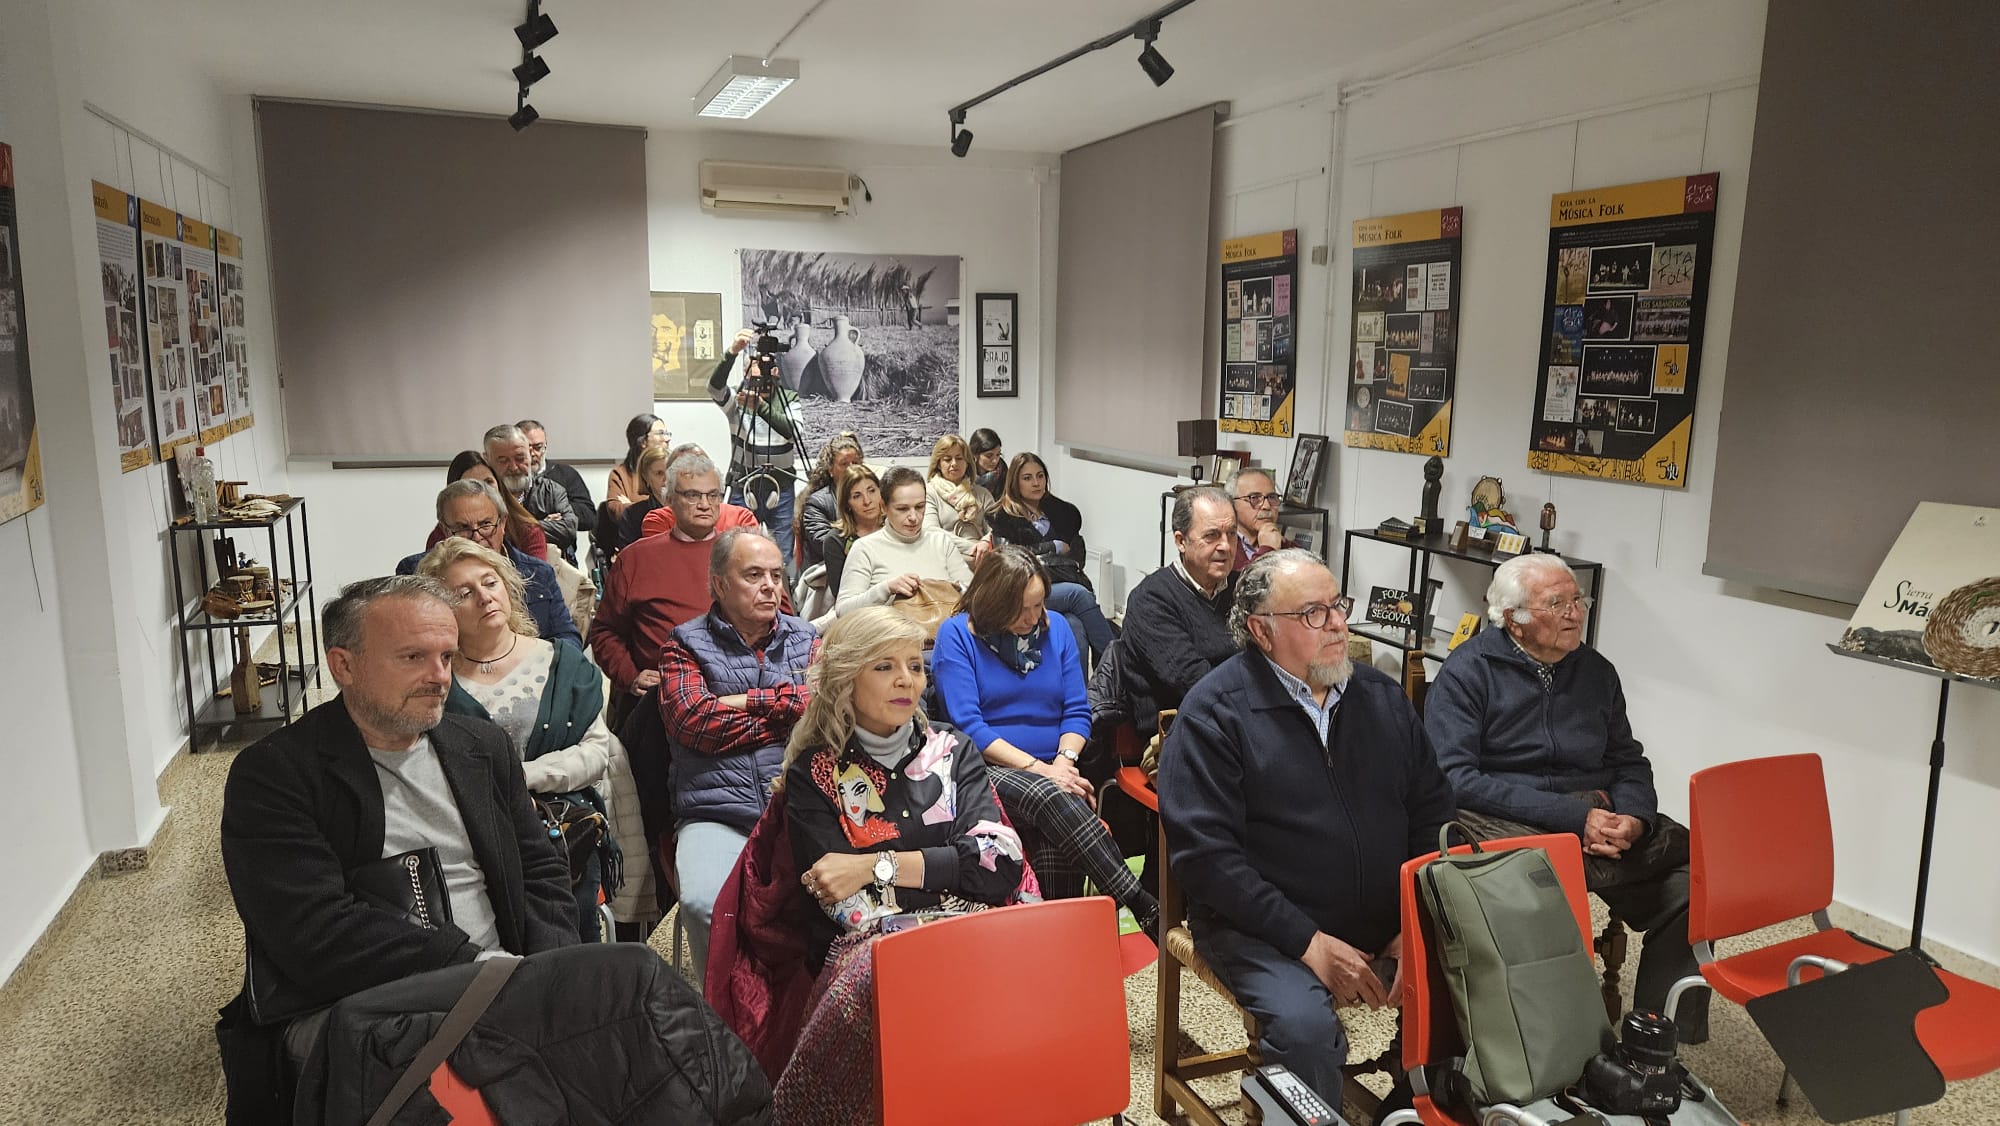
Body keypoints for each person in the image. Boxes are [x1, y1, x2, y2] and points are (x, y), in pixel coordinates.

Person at [218, 576, 577, 1082]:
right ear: (343, 665)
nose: (439, 677)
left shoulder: (480, 745)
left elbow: (540, 868)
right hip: (375, 1000)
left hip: (507, 982)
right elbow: (314, 932)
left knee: (641, 1003)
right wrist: (478, 970)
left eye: (447, 657)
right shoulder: (277, 774)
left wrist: (551, 971)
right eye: (413, 658)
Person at [1157, 549, 1456, 1106]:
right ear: (1261, 630)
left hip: (1385, 915)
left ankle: (1408, 1107)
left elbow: (1433, 813)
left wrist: (1415, 919)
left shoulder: (1381, 697)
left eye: (1337, 605)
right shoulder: (1214, 713)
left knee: (1475, 980)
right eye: (1313, 613)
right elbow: (1207, 861)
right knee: (1305, 1032)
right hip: (1262, 929)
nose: (1339, 623)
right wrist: (1309, 943)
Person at [1425, 553, 1708, 1042]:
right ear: (1513, 618)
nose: (1576, 613)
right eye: (1557, 603)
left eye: (1578, 599)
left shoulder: (1597, 671)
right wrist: (1574, 818)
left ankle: (1659, 1040)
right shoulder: (1468, 672)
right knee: (1536, 889)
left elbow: (1629, 760)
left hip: (1596, 813)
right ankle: (1559, 1043)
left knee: (1694, 885)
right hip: (1504, 810)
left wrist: (1635, 818)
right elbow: (1454, 778)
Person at [419, 538, 644, 944]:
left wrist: (520, 777)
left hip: (562, 828)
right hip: (469, 830)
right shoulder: (435, 681)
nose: (484, 597)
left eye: (490, 582)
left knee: (567, 946)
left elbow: (595, 754)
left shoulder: (562, 663)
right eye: (464, 593)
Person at [931, 546, 1159, 934]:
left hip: (1054, 767)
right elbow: (969, 724)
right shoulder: (957, 635)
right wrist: (1044, 771)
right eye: (1021, 608)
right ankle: (1140, 902)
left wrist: (1064, 763)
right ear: (993, 602)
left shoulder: (1057, 631)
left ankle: (1059, 942)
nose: (1033, 617)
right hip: (986, 767)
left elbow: (1077, 710)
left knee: (1056, 823)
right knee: (1056, 795)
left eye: (1038, 605)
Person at [657, 528, 819, 982]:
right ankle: (724, 1011)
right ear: (719, 584)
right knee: (705, 904)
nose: (771, 586)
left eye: (776, 574)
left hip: (801, 806)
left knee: (834, 900)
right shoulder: (684, 644)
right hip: (717, 809)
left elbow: (825, 708)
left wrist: (745, 701)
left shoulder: (806, 639)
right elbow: (695, 724)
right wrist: (785, 712)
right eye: (753, 575)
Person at [590, 451, 742, 726]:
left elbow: (781, 620)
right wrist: (630, 674)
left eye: (713, 495)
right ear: (669, 499)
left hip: (736, 697)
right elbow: (604, 631)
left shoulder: (743, 554)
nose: (705, 504)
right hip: (662, 703)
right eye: (693, 496)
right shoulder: (636, 558)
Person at [396, 480, 580, 648]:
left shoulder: (538, 572)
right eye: (463, 528)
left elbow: (568, 638)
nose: (476, 538)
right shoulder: (418, 573)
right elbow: (412, 645)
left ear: (503, 523)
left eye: (485, 524)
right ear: (445, 529)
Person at [1119, 486, 1238, 736]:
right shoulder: (1151, 600)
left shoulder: (1243, 588)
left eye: (1231, 533)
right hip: (1179, 732)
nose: (1226, 546)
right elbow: (1194, 683)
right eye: (1212, 535)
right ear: (1181, 541)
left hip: (1236, 720)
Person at [984, 452, 1115, 661]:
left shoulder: (1062, 513)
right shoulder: (1003, 516)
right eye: (1027, 478)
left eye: (1040, 476)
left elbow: (1076, 559)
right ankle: (1117, 665)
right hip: (1023, 592)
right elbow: (1011, 563)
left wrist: (1037, 554)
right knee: (1080, 594)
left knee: (1075, 630)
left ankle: (1085, 692)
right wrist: (1052, 547)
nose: (1036, 483)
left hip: (1062, 587)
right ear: (1015, 482)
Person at [711, 328, 805, 566]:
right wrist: (732, 352)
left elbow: (793, 432)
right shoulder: (737, 399)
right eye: (750, 366)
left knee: (782, 550)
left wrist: (760, 406)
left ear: (775, 371)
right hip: (745, 485)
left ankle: (782, 597)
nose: (756, 373)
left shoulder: (789, 398)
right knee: (737, 547)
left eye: (762, 368)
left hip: (781, 486)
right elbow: (714, 387)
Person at [833, 466, 972, 616]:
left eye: (920, 506)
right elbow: (843, 610)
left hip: (943, 633)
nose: (914, 517)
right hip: (890, 636)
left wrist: (957, 590)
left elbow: (973, 594)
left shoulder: (941, 542)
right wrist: (886, 589)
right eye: (902, 509)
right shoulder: (864, 548)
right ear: (883, 507)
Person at [422, 449, 546, 560]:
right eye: (471, 485)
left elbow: (538, 581)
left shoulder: (528, 531)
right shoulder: (440, 535)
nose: (482, 490)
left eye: (488, 482)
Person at [485, 424, 578, 565]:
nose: (514, 467)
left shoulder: (551, 491)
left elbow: (568, 531)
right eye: (503, 460)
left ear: (529, 453)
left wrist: (505, 529)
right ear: (487, 460)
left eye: (520, 458)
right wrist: (538, 525)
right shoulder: (482, 496)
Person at [517, 417, 597, 544]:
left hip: (560, 551)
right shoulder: (507, 477)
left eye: (538, 447)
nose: (532, 454)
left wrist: (560, 509)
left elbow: (589, 517)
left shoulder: (565, 473)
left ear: (546, 446)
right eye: (526, 447)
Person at [796, 432, 865, 569]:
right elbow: (828, 546)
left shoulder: (874, 497)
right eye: (844, 464)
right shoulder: (816, 504)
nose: (851, 469)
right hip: (825, 575)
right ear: (831, 470)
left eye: (856, 463)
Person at [923, 433, 993, 565]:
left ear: (967, 463)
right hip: (945, 558)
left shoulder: (983, 494)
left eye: (959, 458)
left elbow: (996, 529)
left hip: (984, 558)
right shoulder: (928, 493)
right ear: (938, 463)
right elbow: (930, 531)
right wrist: (972, 548)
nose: (954, 464)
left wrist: (985, 542)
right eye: (947, 459)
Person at [820, 464, 883, 596]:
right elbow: (841, 595)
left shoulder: (894, 528)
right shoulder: (835, 540)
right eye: (857, 496)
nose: (867, 501)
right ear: (847, 504)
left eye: (871, 491)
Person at [606, 413, 670, 525]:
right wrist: (638, 509)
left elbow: (682, 507)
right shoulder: (621, 474)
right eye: (660, 433)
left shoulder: (676, 466)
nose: (667, 439)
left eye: (667, 433)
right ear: (643, 441)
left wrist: (631, 505)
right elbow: (616, 510)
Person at [1228, 467, 1297, 572]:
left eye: (1272, 497)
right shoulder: (1223, 547)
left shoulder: (1290, 549)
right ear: (1232, 504)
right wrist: (1268, 549)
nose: (1267, 506)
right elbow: (1241, 586)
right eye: (1254, 498)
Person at [967, 427, 1005, 497]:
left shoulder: (1003, 471)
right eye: (989, 455)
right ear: (975, 454)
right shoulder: (964, 472)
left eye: (998, 454)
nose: (995, 460)